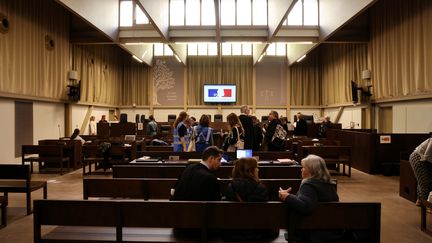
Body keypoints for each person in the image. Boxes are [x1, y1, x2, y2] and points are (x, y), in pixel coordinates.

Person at [279, 154, 340, 243]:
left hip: (312, 231)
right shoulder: (329, 184)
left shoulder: (309, 185)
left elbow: (305, 207)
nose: (301, 169)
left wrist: (287, 196)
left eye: (303, 167)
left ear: (311, 170)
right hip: (329, 228)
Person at [223, 157, 277, 241]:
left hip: (233, 231)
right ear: (250, 171)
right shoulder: (260, 188)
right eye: (257, 168)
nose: (258, 170)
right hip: (257, 232)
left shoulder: (230, 187)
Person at [409, 137, 432, 203]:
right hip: (417, 158)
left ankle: (420, 200)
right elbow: (427, 156)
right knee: (425, 182)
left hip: (425, 160)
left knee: (423, 180)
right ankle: (426, 205)